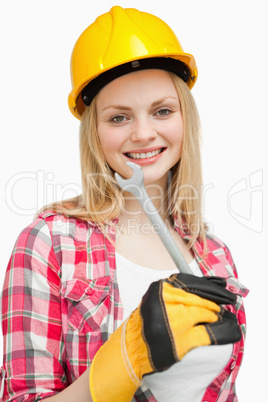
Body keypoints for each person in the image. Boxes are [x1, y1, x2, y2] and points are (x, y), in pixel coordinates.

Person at [0, 6, 249, 402]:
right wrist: (124, 359)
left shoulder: (214, 257)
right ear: (95, 134)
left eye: (162, 111)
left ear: (185, 119)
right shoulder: (50, 244)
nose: (143, 133)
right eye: (119, 118)